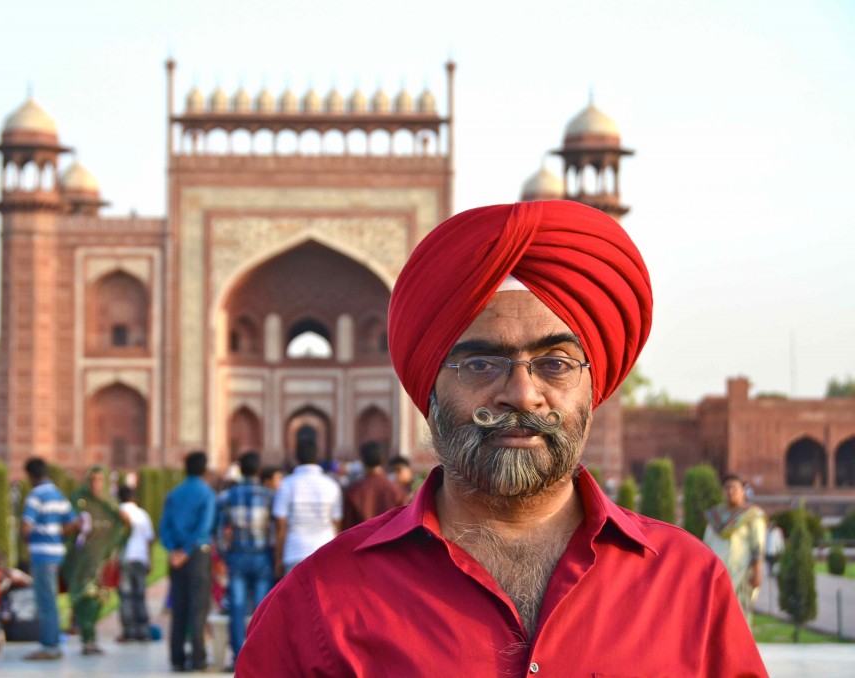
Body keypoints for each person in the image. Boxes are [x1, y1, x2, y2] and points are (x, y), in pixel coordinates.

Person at [238, 201, 766, 676]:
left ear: (591, 385)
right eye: (480, 363)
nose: (521, 394)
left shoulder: (688, 585)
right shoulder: (320, 605)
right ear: (430, 386)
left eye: (555, 363)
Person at [216, 451, 275, 667]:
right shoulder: (268, 495)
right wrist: (272, 551)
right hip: (262, 555)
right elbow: (273, 528)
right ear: (258, 470)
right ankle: (260, 658)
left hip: (238, 554)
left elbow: (220, 530)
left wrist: (225, 553)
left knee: (237, 607)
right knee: (262, 609)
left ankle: (238, 657)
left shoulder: (228, 496)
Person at [159, 451, 217, 672]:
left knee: (180, 607)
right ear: (204, 470)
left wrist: (174, 550)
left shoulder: (174, 494)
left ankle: (177, 658)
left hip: (176, 559)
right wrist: (187, 550)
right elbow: (205, 526)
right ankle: (198, 659)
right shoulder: (206, 493)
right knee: (198, 608)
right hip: (197, 556)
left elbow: (164, 526)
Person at [63, 465, 126, 655]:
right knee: (83, 597)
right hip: (80, 560)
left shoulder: (109, 503)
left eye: (99, 480)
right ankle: (87, 637)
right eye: (92, 480)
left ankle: (89, 637)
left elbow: (122, 526)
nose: (95, 484)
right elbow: (64, 527)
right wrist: (75, 526)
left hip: (102, 559)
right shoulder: (77, 500)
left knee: (98, 599)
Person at [21, 457, 79, 661]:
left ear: (30, 476)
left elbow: (26, 526)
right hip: (57, 552)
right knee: (51, 600)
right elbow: (73, 522)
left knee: (45, 601)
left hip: (42, 553)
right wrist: (57, 532)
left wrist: (29, 535)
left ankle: (49, 646)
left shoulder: (35, 496)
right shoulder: (58, 494)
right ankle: (53, 642)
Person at [272, 440, 342, 578]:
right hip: (324, 550)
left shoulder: (287, 484)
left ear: (296, 457)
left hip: (294, 551)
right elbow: (336, 524)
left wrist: (278, 558)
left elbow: (280, 525)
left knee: (294, 599)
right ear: (318, 457)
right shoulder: (331, 485)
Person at [704, 474, 768, 623]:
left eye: (735, 488)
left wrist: (757, 571)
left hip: (742, 571)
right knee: (717, 617)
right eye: (727, 488)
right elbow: (706, 544)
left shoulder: (752, 515)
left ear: (742, 491)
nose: (731, 491)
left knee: (739, 617)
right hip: (717, 573)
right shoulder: (715, 517)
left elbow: (757, 545)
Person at [116, 484, 154, 642]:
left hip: (124, 558)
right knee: (139, 595)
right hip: (140, 557)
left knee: (126, 596)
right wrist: (149, 559)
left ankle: (128, 631)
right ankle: (143, 630)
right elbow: (149, 539)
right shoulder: (142, 514)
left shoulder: (117, 513)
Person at [342, 442, 406, 530]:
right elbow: (402, 524)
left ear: (362, 461)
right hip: (388, 541)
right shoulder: (395, 490)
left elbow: (347, 529)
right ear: (382, 460)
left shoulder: (354, 491)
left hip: (362, 542)